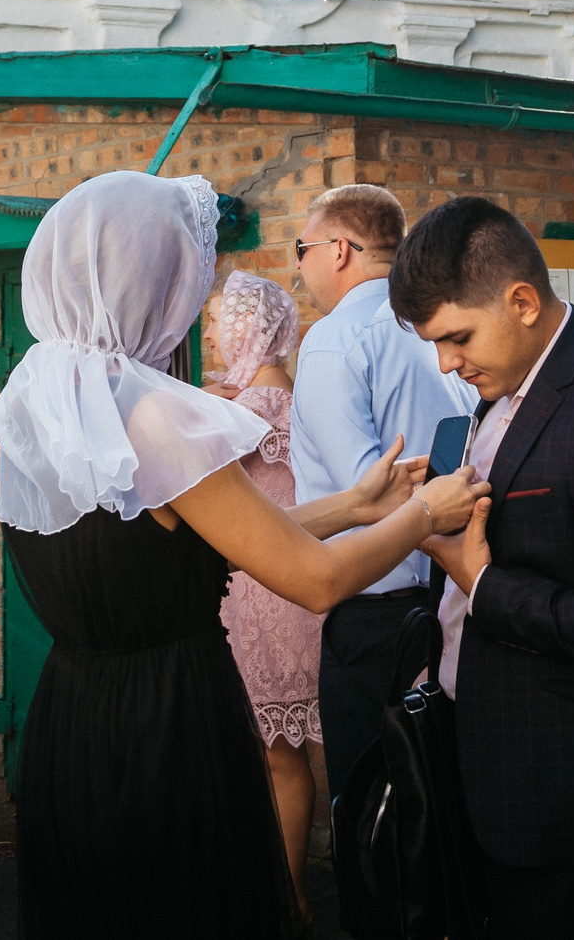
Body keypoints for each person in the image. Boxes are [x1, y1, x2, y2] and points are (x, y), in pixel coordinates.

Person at [0, 171, 485, 940]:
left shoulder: (39, 400)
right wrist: (425, 512)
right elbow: (314, 581)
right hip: (169, 718)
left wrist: (359, 505)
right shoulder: (155, 413)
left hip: (74, 713)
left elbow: (218, 530)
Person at [393, 196, 574, 940]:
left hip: (567, 797)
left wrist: (485, 584)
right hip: (491, 768)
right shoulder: (501, 391)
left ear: (522, 300)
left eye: (457, 336)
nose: (446, 363)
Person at [289, 183, 476, 795]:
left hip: (376, 616)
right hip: (453, 594)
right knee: (439, 796)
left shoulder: (334, 339)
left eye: (302, 247)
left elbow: (364, 496)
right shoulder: (440, 326)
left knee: (370, 805)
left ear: (339, 249)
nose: (300, 263)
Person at [200, 269, 320, 922]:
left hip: (261, 596)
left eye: (219, 320)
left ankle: (290, 897)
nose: (211, 333)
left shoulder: (245, 409)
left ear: (248, 326)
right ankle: (287, 889)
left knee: (278, 758)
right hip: (282, 586)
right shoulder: (287, 397)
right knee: (282, 752)